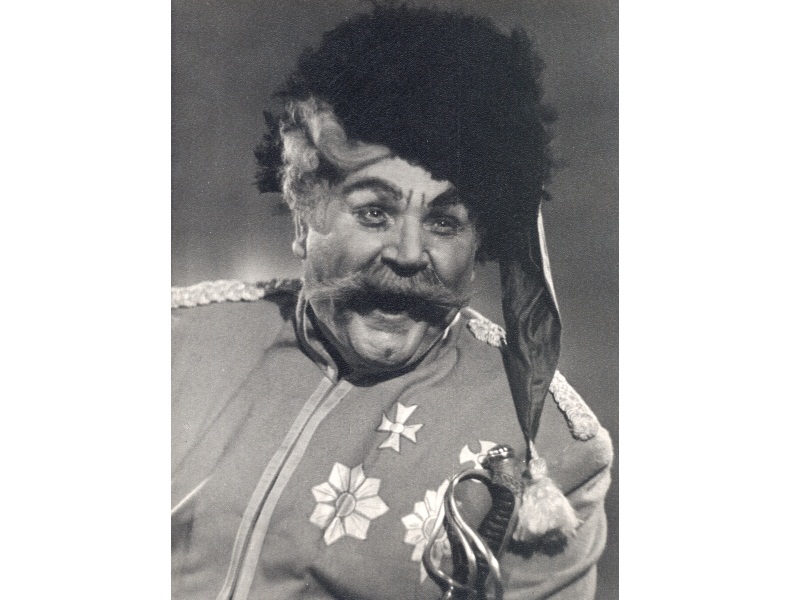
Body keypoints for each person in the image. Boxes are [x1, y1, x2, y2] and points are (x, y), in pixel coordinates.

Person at [172, 4, 613, 599]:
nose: (407, 254)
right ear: (303, 215)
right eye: (375, 212)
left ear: (480, 243)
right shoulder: (172, 347)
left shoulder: (554, 449)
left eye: (444, 222)